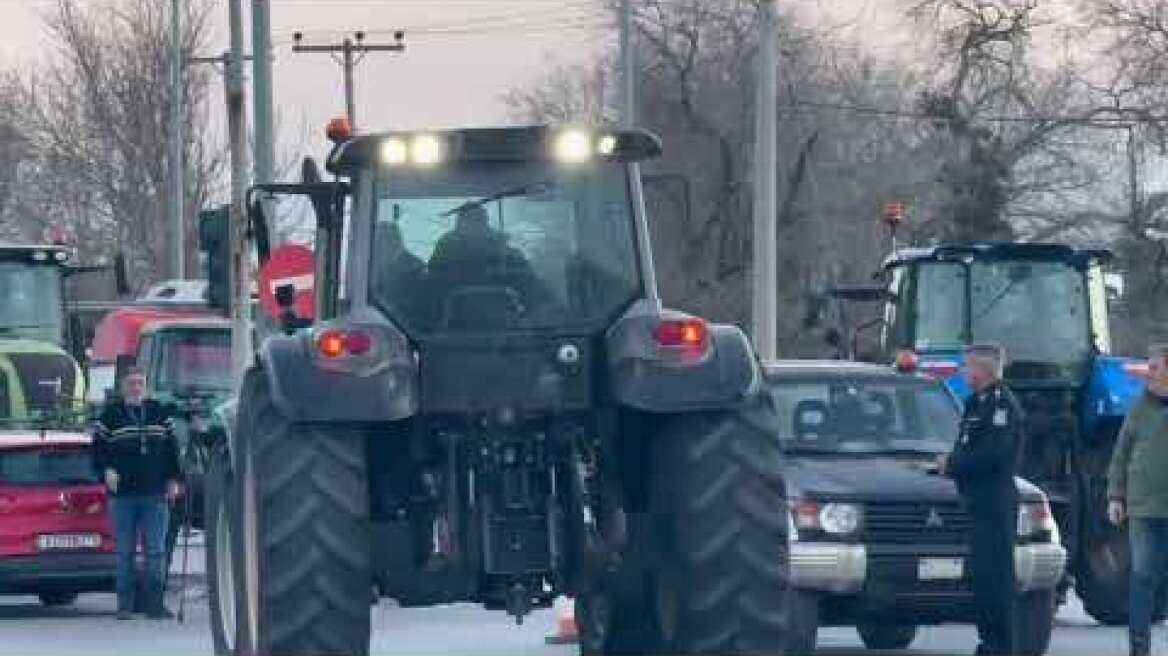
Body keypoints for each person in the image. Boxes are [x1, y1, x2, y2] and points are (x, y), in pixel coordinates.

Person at [937, 343, 1026, 656]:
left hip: (994, 504)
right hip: (975, 502)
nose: (963, 372)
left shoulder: (1002, 406)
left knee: (996, 578)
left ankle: (1001, 646)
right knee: (982, 578)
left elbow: (995, 455)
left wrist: (953, 464)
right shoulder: (975, 404)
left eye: (967, 367)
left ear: (981, 370)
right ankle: (989, 643)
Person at [92, 367, 183, 620]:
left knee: (156, 551)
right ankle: (125, 604)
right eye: (131, 383)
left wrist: (175, 479)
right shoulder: (110, 416)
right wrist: (105, 472)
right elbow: (97, 452)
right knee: (125, 553)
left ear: (146, 386)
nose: (135, 387)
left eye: (140, 383)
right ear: (123, 388)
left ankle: (155, 603)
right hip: (123, 498)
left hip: (155, 495)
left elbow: (172, 450)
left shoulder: (159, 413)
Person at [1107, 343, 1168, 656]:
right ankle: (1139, 649)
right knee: (1142, 578)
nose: (1148, 373)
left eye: (1155, 368)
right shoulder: (1140, 407)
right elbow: (1121, 454)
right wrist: (1115, 496)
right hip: (1142, 509)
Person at [426, 204, 549, 328]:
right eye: (469, 221)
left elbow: (535, 296)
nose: (473, 227)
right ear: (459, 225)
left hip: (509, 335)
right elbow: (427, 298)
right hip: (443, 338)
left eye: (477, 221)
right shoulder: (442, 258)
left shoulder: (510, 258)